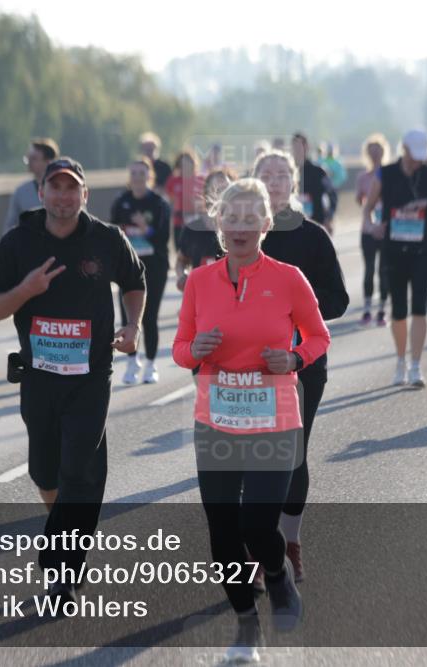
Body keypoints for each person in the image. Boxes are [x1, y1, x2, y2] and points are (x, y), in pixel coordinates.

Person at [173, 178, 331, 661]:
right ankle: (246, 624)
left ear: (265, 225)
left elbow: (318, 336)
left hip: (273, 419)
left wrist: (294, 359)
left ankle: (278, 575)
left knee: (257, 525)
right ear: (218, 223)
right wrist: (194, 351)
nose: (239, 227)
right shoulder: (199, 281)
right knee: (223, 533)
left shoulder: (289, 278)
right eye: (231, 217)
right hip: (216, 420)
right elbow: (180, 349)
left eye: (249, 219)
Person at [0, 157, 145, 609]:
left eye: (73, 188)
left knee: (80, 471)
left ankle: (63, 571)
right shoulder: (18, 243)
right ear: (41, 193)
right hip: (38, 377)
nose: (64, 196)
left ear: (84, 195)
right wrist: (25, 291)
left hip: (91, 376)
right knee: (46, 473)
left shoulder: (107, 239)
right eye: (56, 187)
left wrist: (133, 326)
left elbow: (135, 281)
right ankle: (68, 535)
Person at [255, 149, 348, 584]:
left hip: (302, 363)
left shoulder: (312, 237)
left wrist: (292, 310)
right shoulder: (239, 234)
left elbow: (339, 300)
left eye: (281, 174)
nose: (273, 181)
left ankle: (289, 541)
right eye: (265, 174)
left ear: (293, 182)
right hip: (248, 366)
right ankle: (258, 545)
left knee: (292, 454)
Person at [362, 130, 427, 387]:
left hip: (423, 249)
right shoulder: (385, 174)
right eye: (414, 155)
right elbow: (368, 207)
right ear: (404, 149)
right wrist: (372, 226)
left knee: (419, 305)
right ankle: (400, 361)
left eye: (421, 156)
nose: (418, 161)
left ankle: (416, 365)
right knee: (398, 309)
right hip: (394, 249)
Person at [109, 156, 171, 384]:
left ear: (149, 176)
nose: (137, 178)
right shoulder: (121, 202)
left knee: (149, 316)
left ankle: (151, 364)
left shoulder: (159, 203)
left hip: (154, 267)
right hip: (128, 269)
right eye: (133, 173)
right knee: (128, 317)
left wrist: (145, 228)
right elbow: (112, 233)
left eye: (142, 174)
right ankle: (132, 362)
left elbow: (163, 237)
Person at [175, 167, 232, 292]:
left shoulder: (241, 230)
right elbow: (181, 261)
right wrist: (183, 276)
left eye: (226, 189)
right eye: (217, 190)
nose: (222, 195)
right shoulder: (192, 229)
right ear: (206, 194)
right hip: (200, 295)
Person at [356, 134, 391, 326]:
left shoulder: (390, 175)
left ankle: (382, 310)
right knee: (369, 269)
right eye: (372, 151)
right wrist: (367, 203)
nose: (375, 154)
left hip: (386, 229)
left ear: (384, 152)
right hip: (368, 229)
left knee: (384, 269)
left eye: (378, 151)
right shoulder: (363, 177)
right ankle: (367, 309)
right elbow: (359, 199)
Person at [3, 137, 59, 234]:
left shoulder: (66, 190)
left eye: (34, 159)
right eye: (28, 158)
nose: (29, 162)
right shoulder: (21, 192)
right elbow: (10, 227)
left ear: (48, 161)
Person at [291, 132, 338, 234]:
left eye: (301, 145)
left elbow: (332, 195)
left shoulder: (319, 172)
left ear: (307, 147)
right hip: (293, 227)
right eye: (296, 146)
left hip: (317, 224)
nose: (299, 149)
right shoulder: (287, 172)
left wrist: (329, 218)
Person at [164, 150, 205, 252]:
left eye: (188, 163)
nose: (185, 167)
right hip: (179, 222)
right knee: (180, 251)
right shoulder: (173, 180)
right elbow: (170, 199)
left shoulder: (200, 179)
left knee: (196, 251)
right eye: (182, 164)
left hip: (196, 221)